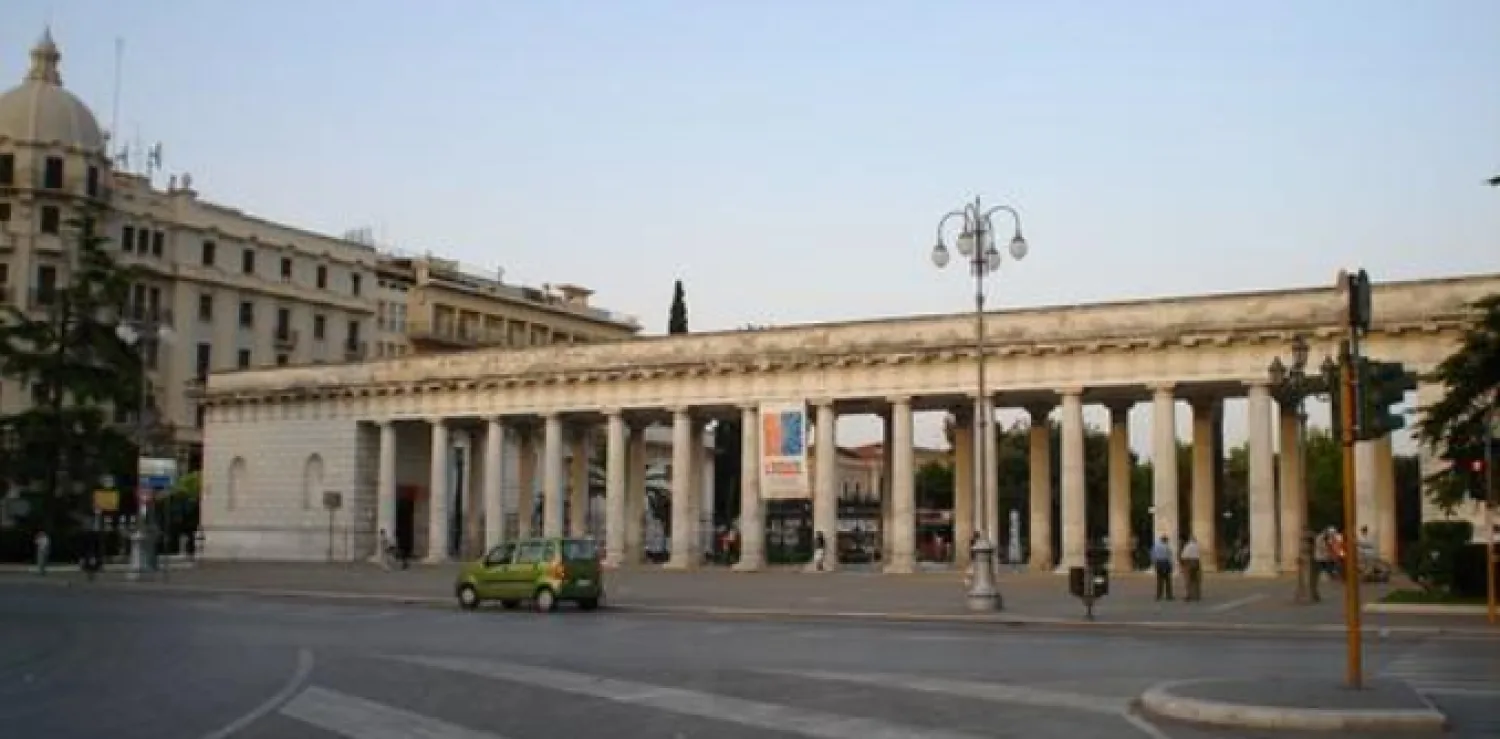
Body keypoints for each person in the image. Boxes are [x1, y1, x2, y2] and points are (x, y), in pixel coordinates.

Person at [1151, 535, 1174, 601]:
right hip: (1165, 563)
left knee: (1159, 580)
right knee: (1168, 580)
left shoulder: (1155, 546)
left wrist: (1154, 563)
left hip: (1158, 563)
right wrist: (1171, 565)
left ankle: (1158, 595)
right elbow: (1169, 556)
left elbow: (1152, 555)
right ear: (1165, 540)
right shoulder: (1167, 547)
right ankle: (1169, 595)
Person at [1180, 536, 1203, 602]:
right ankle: (1197, 595)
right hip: (1196, 562)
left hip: (1188, 562)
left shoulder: (1188, 546)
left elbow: (1184, 555)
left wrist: (1182, 564)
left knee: (1188, 579)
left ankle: (1188, 595)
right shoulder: (1197, 546)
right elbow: (1199, 555)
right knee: (1196, 580)